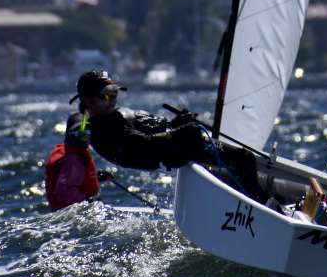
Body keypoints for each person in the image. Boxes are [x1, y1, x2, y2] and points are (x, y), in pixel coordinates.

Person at [67, 69, 264, 200]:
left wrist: (176, 124)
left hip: (173, 144)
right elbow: (141, 144)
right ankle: (255, 209)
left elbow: (155, 131)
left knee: (244, 158)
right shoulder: (98, 127)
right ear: (89, 100)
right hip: (171, 152)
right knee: (243, 159)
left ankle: (256, 200)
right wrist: (178, 133)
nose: (112, 99)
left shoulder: (110, 115)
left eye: (114, 92)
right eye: (106, 94)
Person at [44, 113, 105, 211]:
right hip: (72, 214)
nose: (84, 138)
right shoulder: (74, 159)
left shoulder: (68, 153)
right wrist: (87, 202)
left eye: (87, 133)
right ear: (69, 134)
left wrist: (96, 177)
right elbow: (63, 191)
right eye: (80, 134)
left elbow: (71, 178)